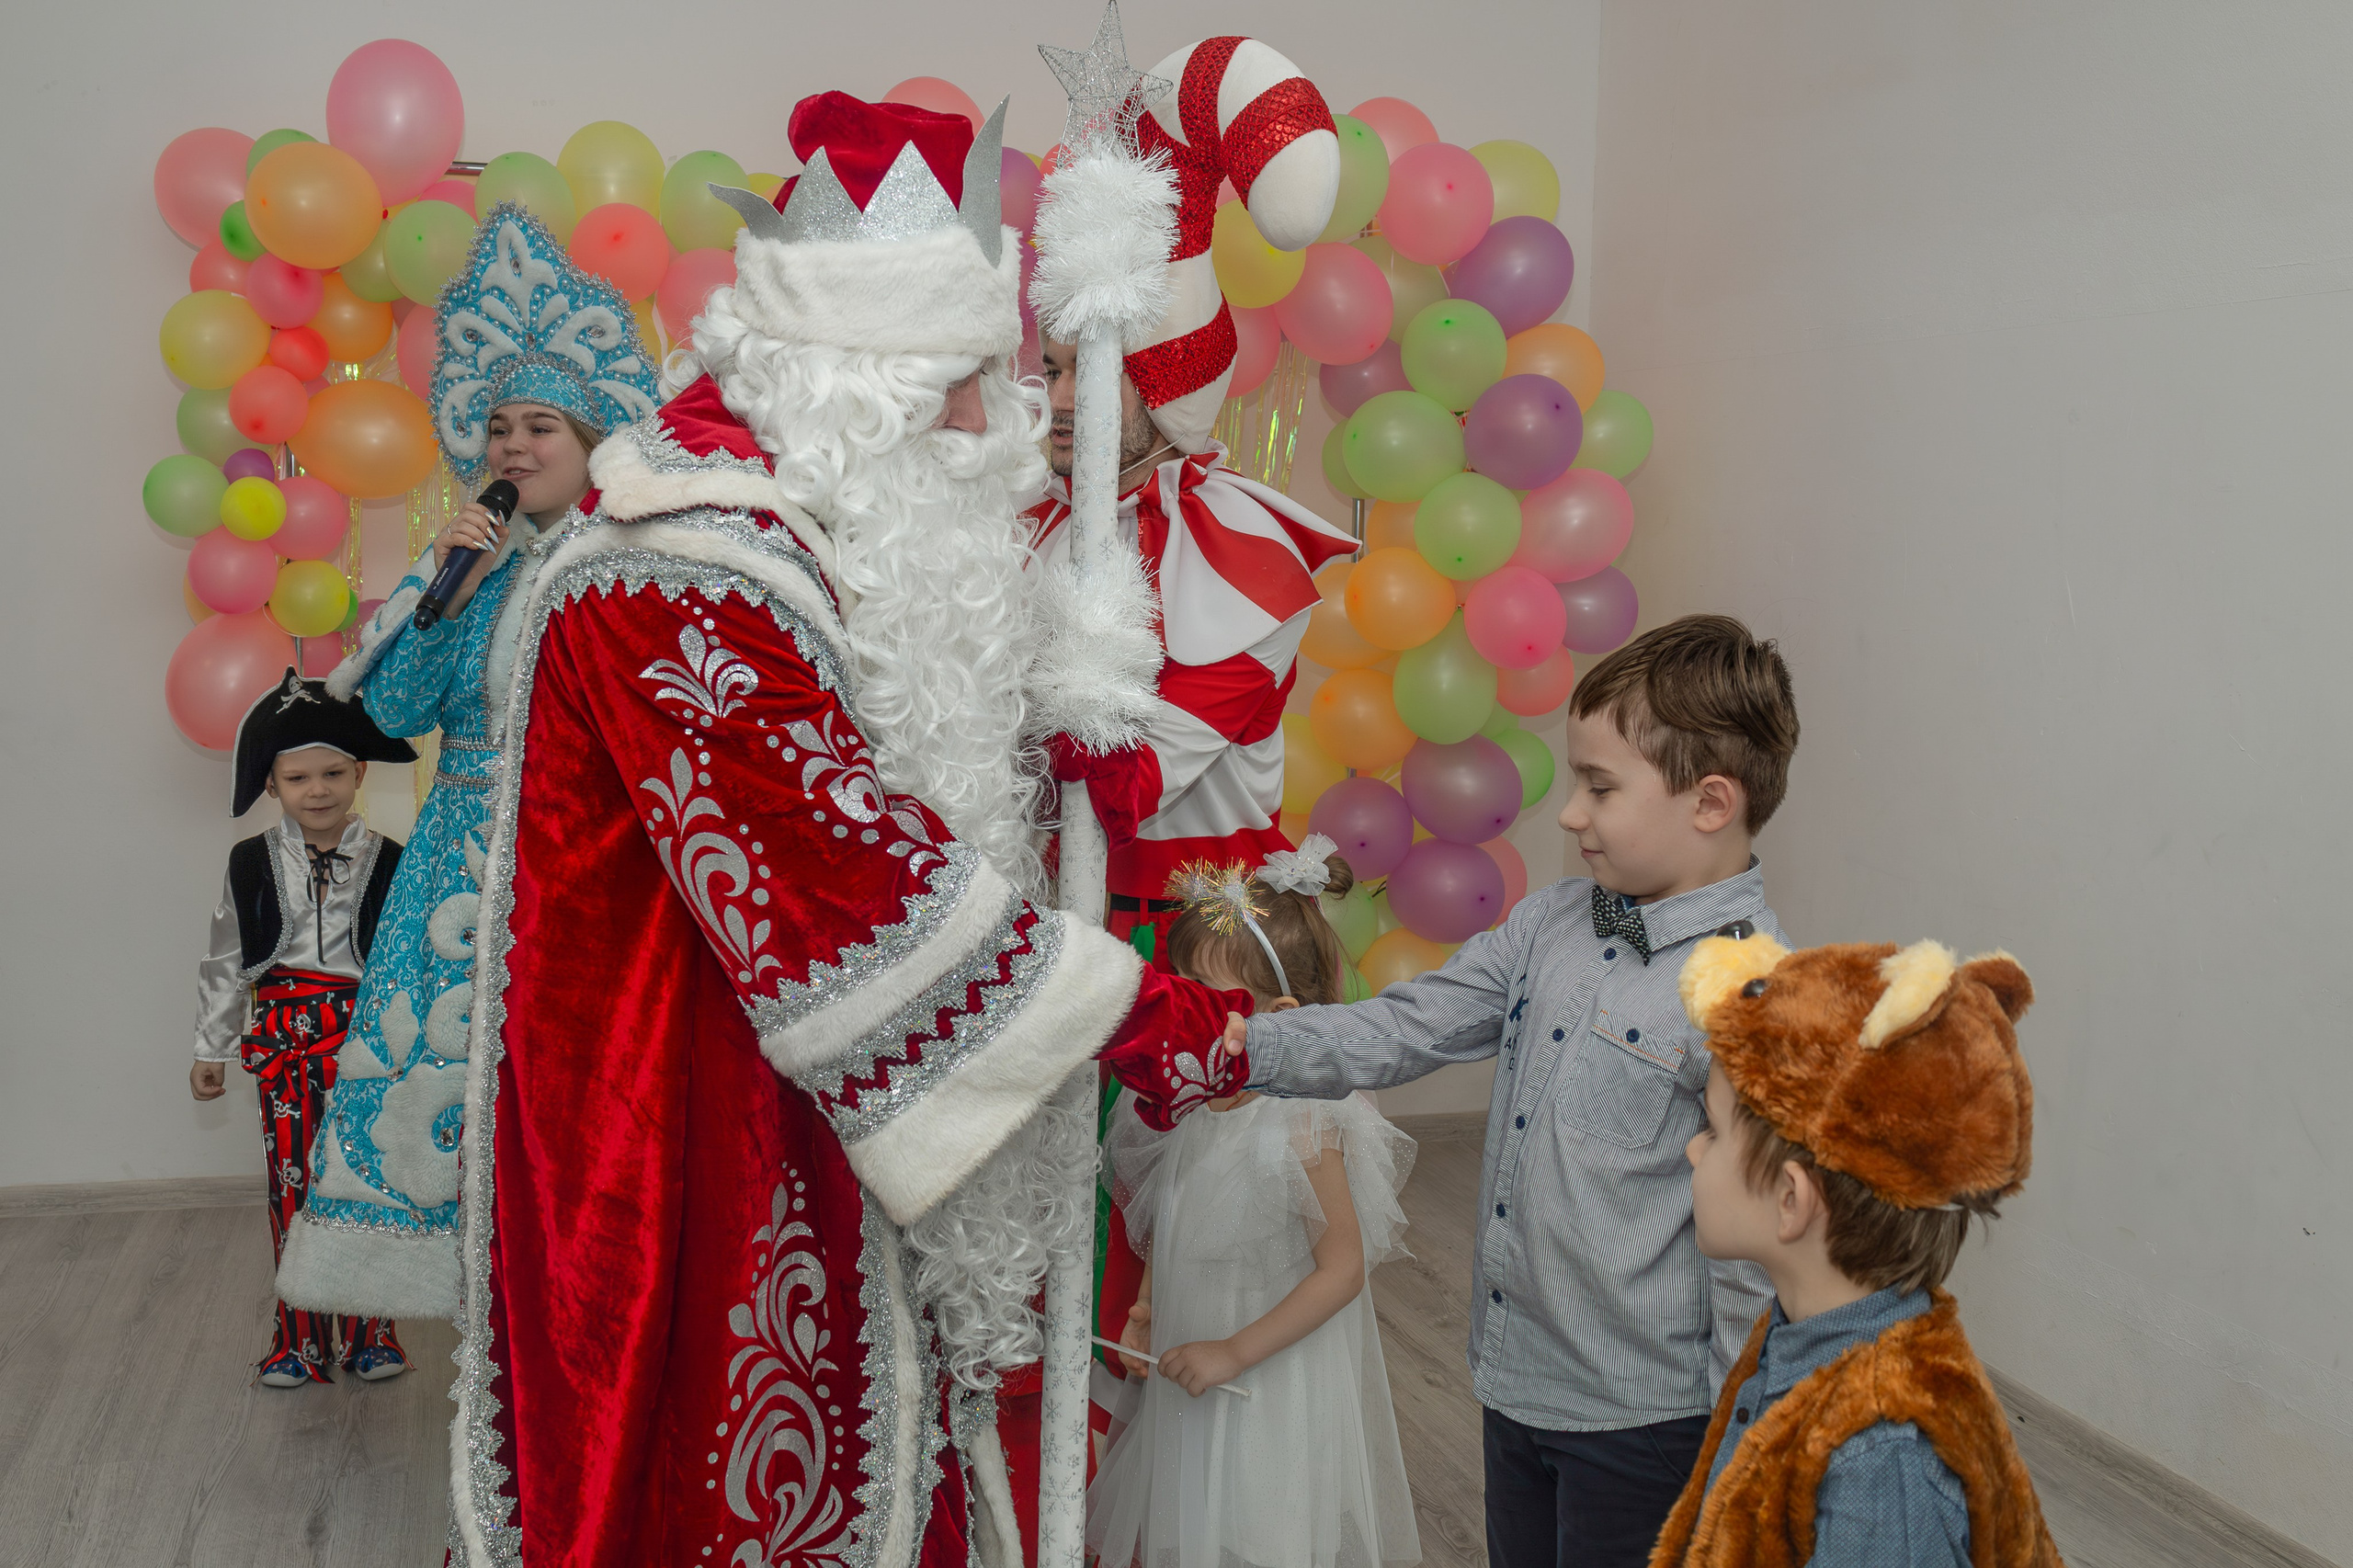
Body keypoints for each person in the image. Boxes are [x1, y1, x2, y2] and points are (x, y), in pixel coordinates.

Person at [438, 92, 1254, 1568]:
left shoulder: (779, 527)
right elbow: (839, 885)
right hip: (694, 1145)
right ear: (845, 383)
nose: (989, 429)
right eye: (957, 385)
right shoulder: (677, 572)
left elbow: (876, 725)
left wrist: (1030, 716)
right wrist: (1147, 1016)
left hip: (803, 1111)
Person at [1220, 614, 1802, 1568]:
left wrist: (1743, 1442)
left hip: (1644, 1415)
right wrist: (1245, 1041)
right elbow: (1410, 1024)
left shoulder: (1756, 994)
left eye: (1599, 786)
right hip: (1514, 1375)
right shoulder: (1551, 921)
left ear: (1709, 802)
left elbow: (1755, 1257)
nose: (1570, 812)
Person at [1020, 34, 1353, 1522]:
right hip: (1081, 927)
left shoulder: (1237, 549)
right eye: (1048, 372)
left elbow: (1137, 772)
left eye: (1080, 375)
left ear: (1154, 383)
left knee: (1190, 1256)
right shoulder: (1047, 527)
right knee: (1063, 1234)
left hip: (1208, 942)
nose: (1051, 401)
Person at [275, 204, 662, 1324]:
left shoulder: (634, 567)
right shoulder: (468, 565)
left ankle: (586, 1303)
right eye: (498, 427)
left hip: (587, 865)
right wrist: (440, 593)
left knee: (578, 1097)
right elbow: (388, 708)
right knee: (454, 1093)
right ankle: (475, 1305)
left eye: (542, 425)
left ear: (594, 446)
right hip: (460, 865)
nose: (512, 447)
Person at [1658, 932, 2063, 1567]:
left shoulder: (1879, 1457)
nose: (1693, 1149)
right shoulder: (1801, 1333)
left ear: (1791, 1201)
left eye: (1711, 1131)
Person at [1087, 838, 1421, 1568]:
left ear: (1284, 1014)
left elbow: (1342, 1268)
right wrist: (1146, 1309)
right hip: (1194, 1351)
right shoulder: (1192, 1102)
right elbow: (1173, 1218)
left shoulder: (1302, 1120)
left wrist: (1235, 1352)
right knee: (1188, 1518)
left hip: (1267, 1374)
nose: (1184, 1019)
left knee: (1251, 1527)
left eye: (1209, 1004)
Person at [189, 670, 416, 1386]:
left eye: (330, 774)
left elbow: (408, 961)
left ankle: (371, 1332)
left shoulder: (390, 859)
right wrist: (212, 1047)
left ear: (359, 774)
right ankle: (298, 1339)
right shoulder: (250, 862)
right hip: (285, 1047)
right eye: (297, 779)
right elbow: (225, 956)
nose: (316, 791)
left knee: (364, 1184)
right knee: (292, 1187)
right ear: (272, 788)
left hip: (365, 1047)